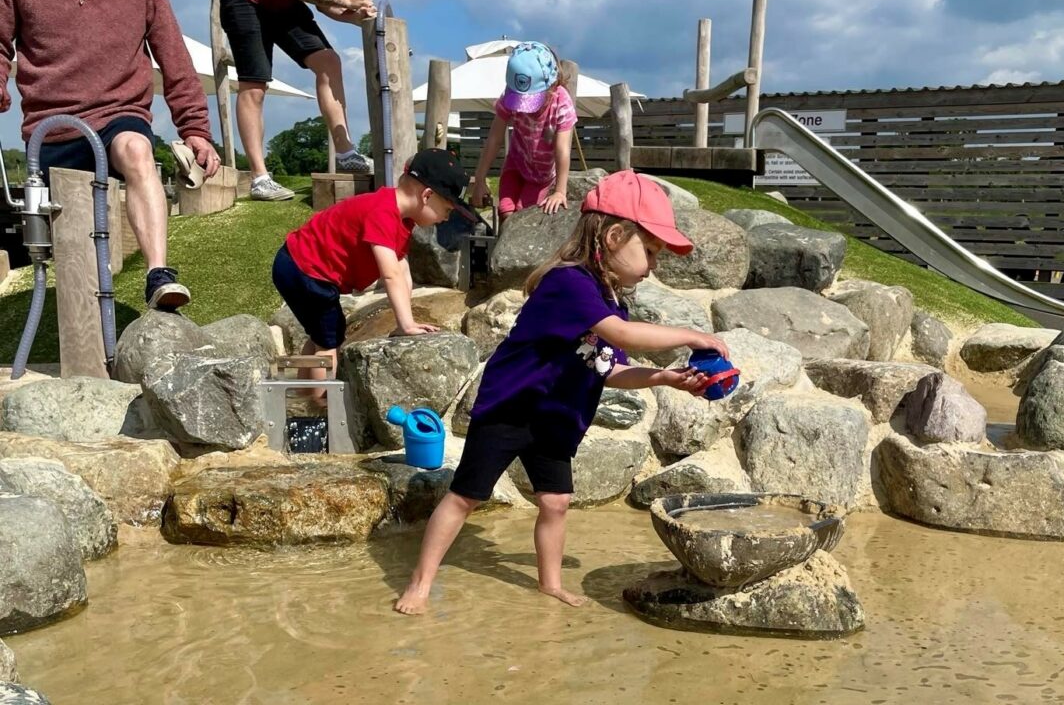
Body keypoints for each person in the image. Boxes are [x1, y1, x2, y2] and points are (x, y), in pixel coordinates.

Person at [394, 170, 730, 614]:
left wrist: (665, 378)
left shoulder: (611, 302)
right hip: (511, 408)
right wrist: (691, 334)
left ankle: (549, 583)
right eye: (649, 251)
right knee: (466, 496)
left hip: (554, 417)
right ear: (613, 235)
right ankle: (420, 584)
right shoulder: (570, 284)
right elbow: (622, 336)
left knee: (556, 501)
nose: (654, 265)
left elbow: (609, 369)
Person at [0, 0, 220, 311]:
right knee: (77, 265)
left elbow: (172, 52)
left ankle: (159, 275)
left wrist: (195, 127)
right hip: (53, 127)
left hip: (120, 112)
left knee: (137, 150)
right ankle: (81, 337)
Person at [218, 0, 381, 202]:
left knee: (328, 61)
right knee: (255, 85)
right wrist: (347, 0)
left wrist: (358, 17)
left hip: (283, 0)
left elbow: (327, 4)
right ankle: (260, 177)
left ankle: (347, 153)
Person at [272, 148, 477, 400]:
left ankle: (298, 398)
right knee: (329, 343)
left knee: (322, 335)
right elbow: (390, 274)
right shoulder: (383, 212)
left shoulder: (402, 218)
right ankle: (316, 413)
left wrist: (408, 320)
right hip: (304, 268)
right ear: (427, 195)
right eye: (447, 210)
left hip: (301, 266)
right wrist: (405, 324)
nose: (445, 219)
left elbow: (402, 269)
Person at [470, 42, 577, 219]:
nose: (525, 107)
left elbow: (562, 149)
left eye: (531, 100)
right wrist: (480, 178)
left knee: (523, 215)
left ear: (551, 86)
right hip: (516, 165)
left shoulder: (561, 102)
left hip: (542, 177)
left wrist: (560, 191)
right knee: (505, 210)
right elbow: (494, 139)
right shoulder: (510, 96)